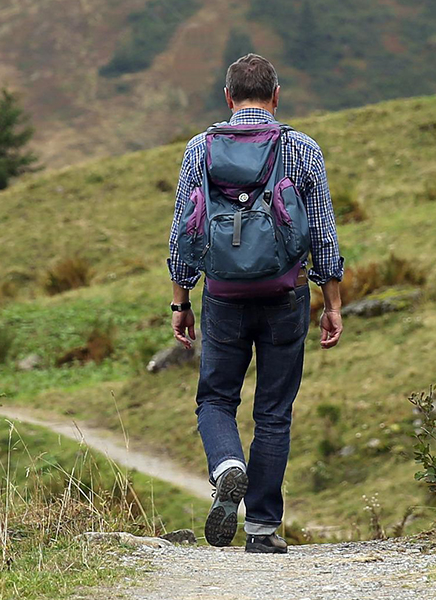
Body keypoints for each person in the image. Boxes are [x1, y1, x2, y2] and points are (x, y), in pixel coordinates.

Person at [167, 53, 344, 554]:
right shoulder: (302, 149)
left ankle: (227, 466)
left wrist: (180, 300)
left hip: (222, 295)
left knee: (216, 398)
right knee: (273, 411)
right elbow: (324, 235)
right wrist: (332, 302)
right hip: (286, 294)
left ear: (227, 98)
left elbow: (184, 229)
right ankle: (262, 529)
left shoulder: (200, 149)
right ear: (276, 96)